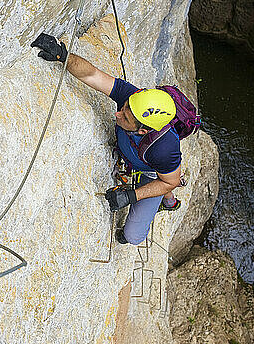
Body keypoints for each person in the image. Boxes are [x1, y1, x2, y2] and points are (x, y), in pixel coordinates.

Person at [31, 33, 182, 245]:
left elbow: (169, 181)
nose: (118, 114)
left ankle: (168, 201)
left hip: (152, 172)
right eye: (124, 108)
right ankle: (168, 200)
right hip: (145, 160)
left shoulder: (164, 148)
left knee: (133, 236)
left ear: (143, 131)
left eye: (126, 117)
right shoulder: (133, 101)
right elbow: (92, 74)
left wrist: (132, 197)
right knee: (166, 175)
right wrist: (63, 57)